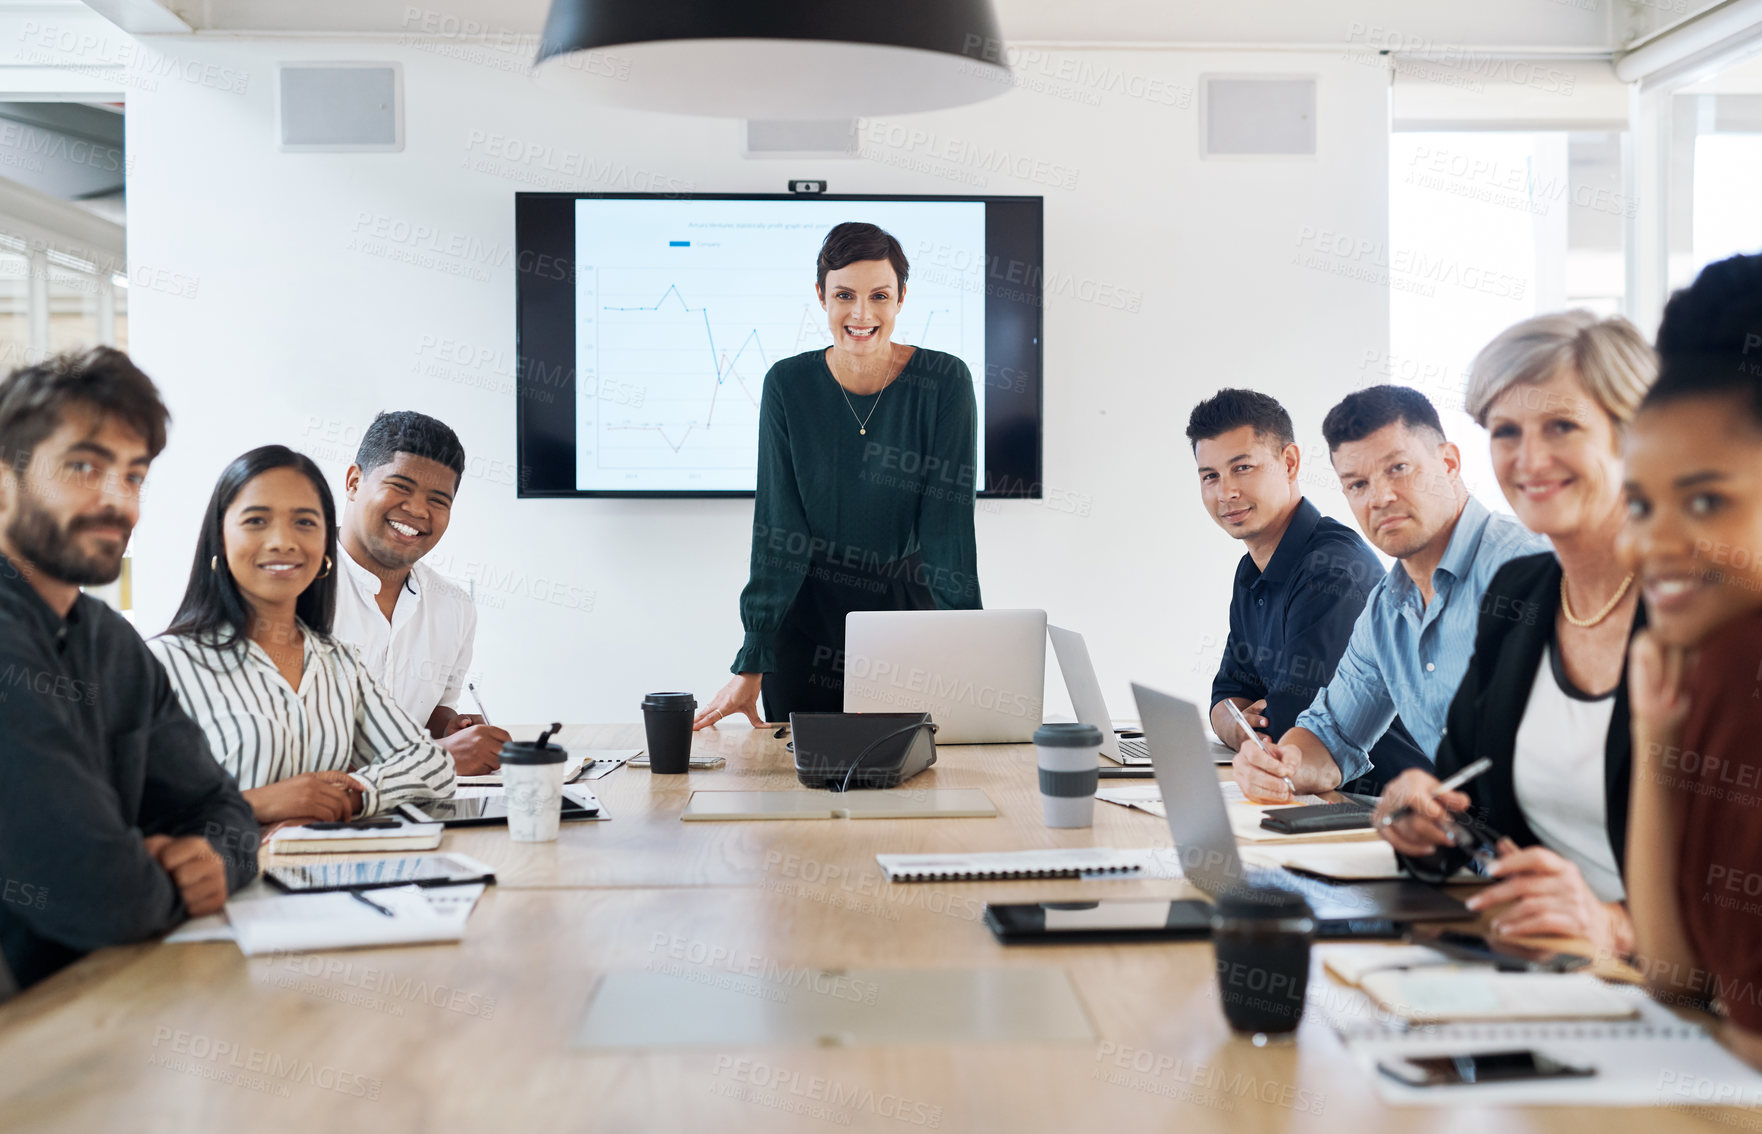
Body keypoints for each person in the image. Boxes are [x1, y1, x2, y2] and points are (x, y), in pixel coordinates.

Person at [1373, 312, 1656, 954]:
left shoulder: (1706, 615)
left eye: (1562, 426)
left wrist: (1615, 925)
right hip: (1539, 964)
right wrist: (1421, 820)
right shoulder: (1520, 593)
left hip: (1694, 1005)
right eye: (1506, 432)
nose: (1530, 460)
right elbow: (1464, 801)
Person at [0, 348, 257, 995]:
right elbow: (94, 889)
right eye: (84, 467)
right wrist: (159, 880)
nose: (117, 501)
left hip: (99, 1003)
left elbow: (219, 805)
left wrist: (213, 862)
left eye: (134, 475)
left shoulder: (109, 640)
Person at [695, 221, 982, 728]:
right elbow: (779, 527)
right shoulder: (787, 383)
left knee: (914, 783)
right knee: (795, 787)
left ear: (901, 299)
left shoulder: (945, 381)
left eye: (879, 295)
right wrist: (754, 656)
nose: (861, 314)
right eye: (844, 294)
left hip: (906, 618)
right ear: (821, 296)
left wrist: (972, 649)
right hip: (805, 620)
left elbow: (948, 529)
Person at [1232, 385, 1547, 801]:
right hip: (1463, 850)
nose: (1380, 498)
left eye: (1398, 468)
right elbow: (1332, 734)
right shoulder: (1386, 607)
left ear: (1449, 463)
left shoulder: (1530, 571)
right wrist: (1279, 767)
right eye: (1358, 484)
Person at [150, 446, 456, 824]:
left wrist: (354, 796)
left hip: (329, 876)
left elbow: (432, 765)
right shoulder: (164, 665)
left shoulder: (338, 662)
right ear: (220, 537)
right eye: (256, 521)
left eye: (305, 522)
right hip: (226, 879)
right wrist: (258, 804)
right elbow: (125, 809)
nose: (283, 541)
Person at [1621, 252, 1762, 1068]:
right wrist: (1657, 739)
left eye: (1706, 501)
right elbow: (1673, 971)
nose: (1658, 544)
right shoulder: (1709, 659)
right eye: (1640, 503)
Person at [1187, 388, 1427, 792]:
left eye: (1242, 468)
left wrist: (1251, 719)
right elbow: (1228, 694)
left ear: (1290, 462)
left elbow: (1294, 730)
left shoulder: (1333, 571)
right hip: (1307, 795)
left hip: (1378, 808)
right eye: (1210, 476)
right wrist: (1238, 721)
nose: (1225, 492)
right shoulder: (1251, 570)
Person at [329, 411, 509, 776]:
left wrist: (449, 730)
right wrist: (437, 758)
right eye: (400, 487)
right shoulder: (294, 589)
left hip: (416, 813)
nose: (417, 510)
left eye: (438, 500)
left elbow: (431, 713)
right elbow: (288, 753)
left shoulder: (454, 607)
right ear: (353, 482)